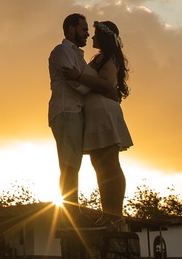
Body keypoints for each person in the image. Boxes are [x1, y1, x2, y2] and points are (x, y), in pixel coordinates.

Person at [62, 19, 132, 221]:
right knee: (99, 167)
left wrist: (78, 76)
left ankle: (115, 214)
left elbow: (105, 83)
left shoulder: (109, 59)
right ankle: (107, 213)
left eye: (94, 34)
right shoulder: (99, 58)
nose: (91, 37)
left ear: (103, 37)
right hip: (94, 114)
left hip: (103, 111)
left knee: (110, 164)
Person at [48, 13, 91, 204]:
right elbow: (73, 82)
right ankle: (70, 211)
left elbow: (79, 78)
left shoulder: (78, 56)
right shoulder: (61, 51)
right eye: (84, 29)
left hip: (75, 111)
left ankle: (72, 209)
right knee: (69, 165)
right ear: (71, 29)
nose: (87, 34)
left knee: (73, 164)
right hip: (67, 111)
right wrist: (94, 86)